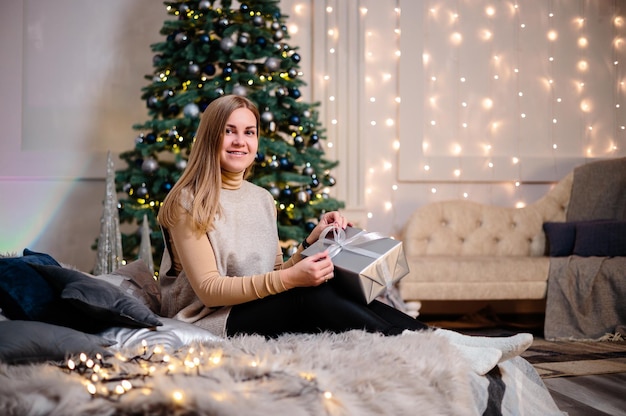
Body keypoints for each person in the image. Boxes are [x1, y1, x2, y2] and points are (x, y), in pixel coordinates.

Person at [157, 95, 532, 375]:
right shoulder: (187, 202)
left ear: (257, 141)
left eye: (249, 132)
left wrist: (310, 244)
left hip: (250, 308)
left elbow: (272, 270)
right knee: (309, 293)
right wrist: (292, 278)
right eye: (229, 131)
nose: (240, 141)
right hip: (211, 319)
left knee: (327, 281)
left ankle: (452, 339)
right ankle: (442, 347)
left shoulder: (262, 200)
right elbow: (210, 289)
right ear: (210, 137)